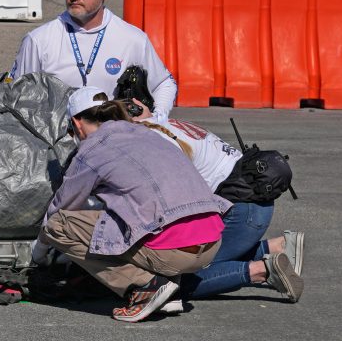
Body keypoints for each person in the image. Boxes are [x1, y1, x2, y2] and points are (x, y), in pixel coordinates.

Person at [33, 86, 231, 322]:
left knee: (59, 225)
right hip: (211, 241)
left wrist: (38, 255)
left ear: (76, 124)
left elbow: (61, 206)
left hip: (175, 252)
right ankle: (168, 292)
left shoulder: (93, 149)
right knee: (136, 218)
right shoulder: (147, 132)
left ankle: (144, 287)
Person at [138, 116, 305, 304]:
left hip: (241, 214)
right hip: (255, 203)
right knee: (206, 258)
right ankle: (276, 247)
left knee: (177, 280)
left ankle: (263, 270)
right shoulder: (162, 123)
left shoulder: (155, 142)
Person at [8, 0, 176, 123]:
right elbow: (16, 95)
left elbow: (164, 83)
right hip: (57, 142)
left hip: (113, 140)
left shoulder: (133, 38)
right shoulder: (38, 40)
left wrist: (155, 118)